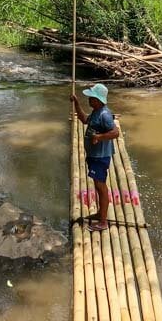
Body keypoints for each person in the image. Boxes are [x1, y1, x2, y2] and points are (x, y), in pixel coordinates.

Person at [72, 83, 120, 231]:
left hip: (100, 157)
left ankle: (103, 222)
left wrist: (99, 136)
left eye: (91, 98)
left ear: (98, 100)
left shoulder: (105, 115)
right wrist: (76, 103)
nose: (89, 100)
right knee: (98, 186)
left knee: (101, 186)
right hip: (94, 155)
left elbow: (115, 132)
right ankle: (100, 213)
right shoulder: (96, 112)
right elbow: (84, 119)